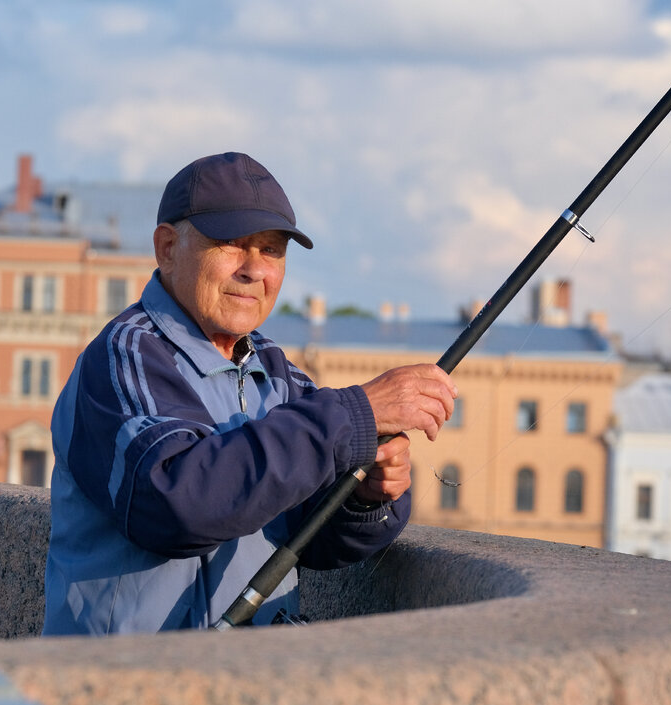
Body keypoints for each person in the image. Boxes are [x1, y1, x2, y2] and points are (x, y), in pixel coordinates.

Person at [44, 151, 457, 634]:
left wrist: (365, 496)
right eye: (232, 244)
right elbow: (176, 503)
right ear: (167, 248)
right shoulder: (125, 355)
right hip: (127, 686)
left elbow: (313, 539)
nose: (254, 269)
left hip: (247, 684)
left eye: (272, 250)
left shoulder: (277, 372)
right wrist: (357, 412)